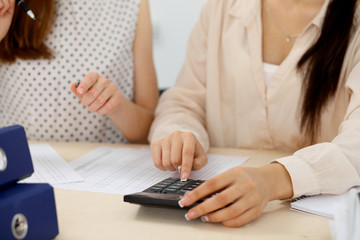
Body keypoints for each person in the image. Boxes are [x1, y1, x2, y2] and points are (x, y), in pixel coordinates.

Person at [149, 0, 360, 227]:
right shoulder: (221, 8)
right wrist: (179, 134)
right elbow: (184, 100)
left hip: (311, 221)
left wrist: (275, 179)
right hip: (216, 215)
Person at [0, 0, 158, 143]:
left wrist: (116, 106)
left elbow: (151, 131)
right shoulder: (10, 6)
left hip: (106, 169)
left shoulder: (132, 4)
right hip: (20, 164)